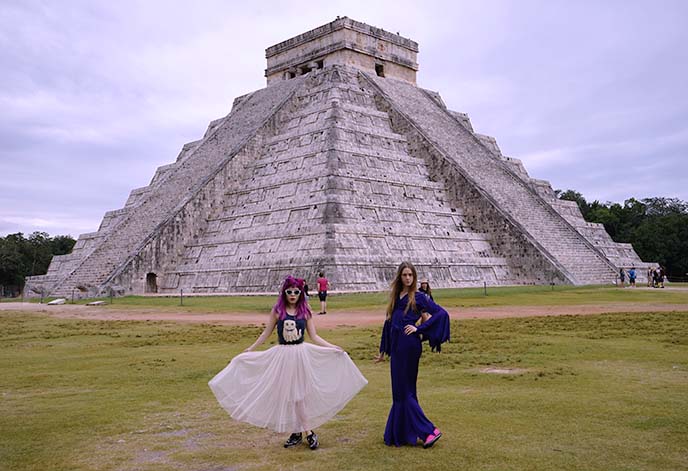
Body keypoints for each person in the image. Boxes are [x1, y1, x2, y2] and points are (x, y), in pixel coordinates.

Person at [209, 276, 367, 449]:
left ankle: (306, 432)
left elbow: (314, 336)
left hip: (300, 355)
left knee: (299, 396)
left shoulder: (305, 311)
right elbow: (266, 333)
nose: (293, 295)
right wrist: (251, 348)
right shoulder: (278, 311)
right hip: (283, 356)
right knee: (292, 396)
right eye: (289, 291)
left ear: (301, 293)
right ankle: (302, 432)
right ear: (284, 292)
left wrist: (333, 347)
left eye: (296, 292)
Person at [375, 261, 450, 448]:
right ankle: (399, 434)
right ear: (399, 277)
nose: (408, 278)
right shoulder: (395, 298)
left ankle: (429, 431)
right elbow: (388, 324)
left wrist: (419, 329)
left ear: (414, 278)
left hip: (409, 345)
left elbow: (441, 314)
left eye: (410, 275)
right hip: (397, 347)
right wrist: (383, 351)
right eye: (404, 275)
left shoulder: (418, 297)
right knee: (401, 392)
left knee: (404, 391)